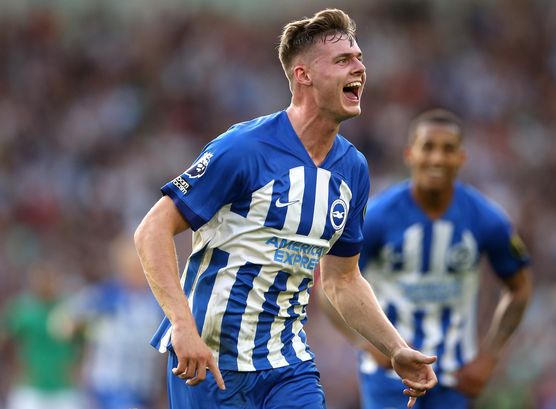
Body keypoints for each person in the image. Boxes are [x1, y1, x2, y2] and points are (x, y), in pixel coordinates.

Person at [134, 8, 437, 409]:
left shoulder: (352, 170)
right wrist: (181, 325)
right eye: (344, 60)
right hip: (208, 362)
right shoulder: (243, 149)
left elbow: (341, 280)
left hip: (288, 366)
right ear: (304, 75)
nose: (360, 68)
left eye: (360, 58)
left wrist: (395, 348)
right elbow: (151, 231)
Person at [319, 108, 533, 409]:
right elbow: (330, 285)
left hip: (454, 377)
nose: (437, 158)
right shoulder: (378, 216)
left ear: (461, 158)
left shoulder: (487, 220)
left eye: (447, 149)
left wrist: (489, 357)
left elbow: (520, 287)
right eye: (428, 147)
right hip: (389, 376)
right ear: (410, 154)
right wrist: (365, 343)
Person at [50, 234, 164, 409]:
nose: (138, 270)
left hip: (145, 387)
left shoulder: (158, 300)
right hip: (109, 386)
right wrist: (79, 330)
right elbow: (60, 323)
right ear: (121, 266)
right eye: (132, 264)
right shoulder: (106, 295)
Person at [0, 264, 83, 409]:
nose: (44, 284)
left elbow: (85, 341)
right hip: (30, 386)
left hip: (63, 387)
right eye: (39, 279)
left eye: (48, 279)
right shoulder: (21, 310)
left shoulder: (70, 309)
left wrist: (77, 368)